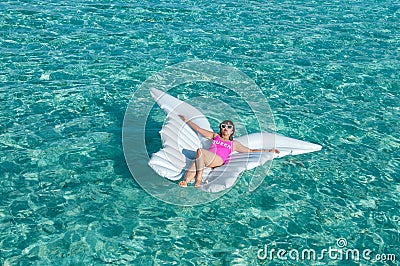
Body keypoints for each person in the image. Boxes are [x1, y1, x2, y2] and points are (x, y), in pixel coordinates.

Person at [178, 115, 280, 188]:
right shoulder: (215, 136)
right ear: (220, 129)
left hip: (218, 160)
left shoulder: (233, 144)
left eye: (229, 127)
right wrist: (186, 120)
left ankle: (198, 179)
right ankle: (186, 181)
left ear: (232, 131)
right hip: (206, 158)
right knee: (197, 160)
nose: (225, 128)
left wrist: (269, 150)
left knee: (200, 151)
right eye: (223, 126)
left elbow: (250, 150)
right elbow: (199, 129)